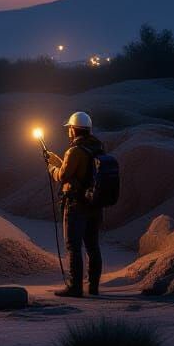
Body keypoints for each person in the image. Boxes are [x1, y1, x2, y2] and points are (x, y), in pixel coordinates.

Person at [46, 111, 103, 298]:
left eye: (69, 128)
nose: (68, 131)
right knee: (93, 246)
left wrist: (51, 167)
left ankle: (75, 287)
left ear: (73, 129)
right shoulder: (98, 147)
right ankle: (93, 287)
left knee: (73, 246)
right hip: (94, 204)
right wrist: (57, 161)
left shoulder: (74, 151)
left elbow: (63, 177)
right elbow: (78, 172)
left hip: (76, 205)